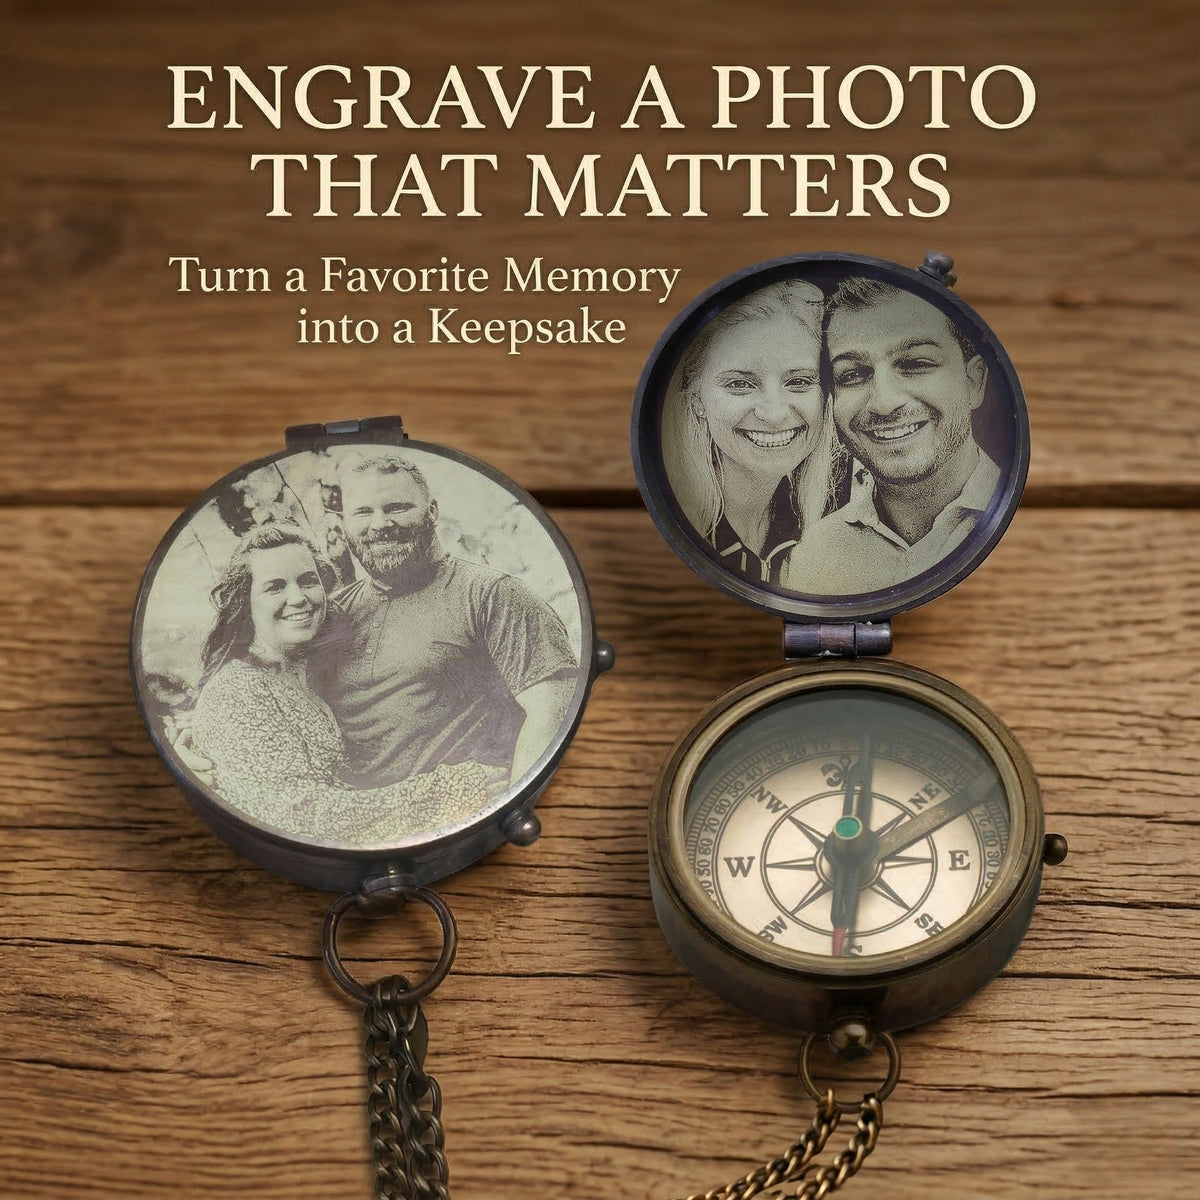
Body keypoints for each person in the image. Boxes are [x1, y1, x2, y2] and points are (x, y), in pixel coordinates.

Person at [190, 522, 488, 842]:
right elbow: (300, 815)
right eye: (275, 586)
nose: (298, 597)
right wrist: (453, 786)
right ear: (245, 605)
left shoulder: (309, 674)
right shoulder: (236, 693)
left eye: (308, 581)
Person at [313, 454, 579, 789]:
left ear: (432, 511)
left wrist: (505, 808)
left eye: (397, 507)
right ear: (344, 523)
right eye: (363, 512)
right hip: (359, 819)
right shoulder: (331, 613)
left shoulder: (491, 595)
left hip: (457, 810)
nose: (379, 524)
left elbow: (551, 715)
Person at [784, 277, 1002, 595]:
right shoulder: (813, 557)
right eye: (853, 374)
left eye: (915, 364)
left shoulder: (1031, 526)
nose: (884, 403)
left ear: (974, 382)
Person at [662, 278, 844, 586]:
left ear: (825, 396)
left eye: (798, 381)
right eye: (739, 384)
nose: (774, 414)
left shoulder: (828, 530)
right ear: (697, 401)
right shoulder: (680, 533)